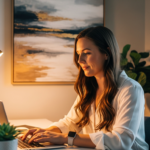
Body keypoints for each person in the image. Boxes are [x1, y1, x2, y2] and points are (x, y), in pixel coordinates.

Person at [21, 26, 149, 150]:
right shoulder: (88, 88)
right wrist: (45, 132)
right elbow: (71, 122)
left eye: (87, 53)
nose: (80, 60)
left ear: (107, 53)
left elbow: (121, 140)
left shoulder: (130, 89)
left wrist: (66, 138)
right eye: (78, 53)